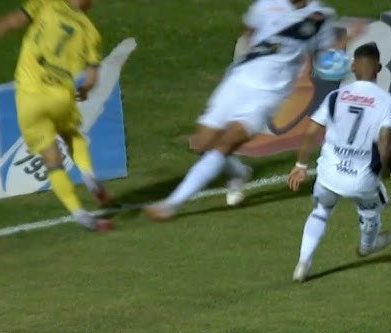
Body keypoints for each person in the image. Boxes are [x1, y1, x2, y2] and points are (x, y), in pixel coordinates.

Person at [143, 0, 362, 221]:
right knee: (202, 143)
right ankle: (239, 172)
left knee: (226, 144)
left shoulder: (320, 15)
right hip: (237, 82)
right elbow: (248, 32)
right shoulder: (266, 5)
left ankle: (171, 205)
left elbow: (323, 58)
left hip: (269, 94)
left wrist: (348, 38)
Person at [0, 0, 112, 232]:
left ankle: (81, 215)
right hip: (60, 96)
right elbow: (91, 79)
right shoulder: (91, 32)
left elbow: (12, 21)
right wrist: (84, 91)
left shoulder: (46, 2)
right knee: (72, 135)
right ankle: (89, 176)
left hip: (30, 97)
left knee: (52, 160)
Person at [287, 43, 391, 282]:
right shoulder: (388, 103)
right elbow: (384, 148)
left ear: (352, 66)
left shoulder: (335, 97)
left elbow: (311, 131)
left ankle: (303, 262)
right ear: (379, 68)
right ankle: (366, 247)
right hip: (361, 179)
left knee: (320, 211)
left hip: (329, 173)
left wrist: (300, 166)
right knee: (372, 210)